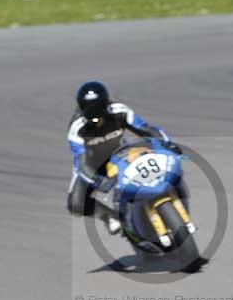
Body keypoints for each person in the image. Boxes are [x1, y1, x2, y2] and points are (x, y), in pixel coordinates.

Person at [67, 81, 174, 234]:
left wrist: (166, 144)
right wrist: (99, 181)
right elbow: (80, 165)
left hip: (120, 154)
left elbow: (145, 128)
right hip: (93, 165)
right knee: (75, 203)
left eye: (98, 107)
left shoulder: (119, 110)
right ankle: (109, 216)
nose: (95, 114)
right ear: (81, 107)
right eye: (89, 109)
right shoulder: (77, 128)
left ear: (106, 103)